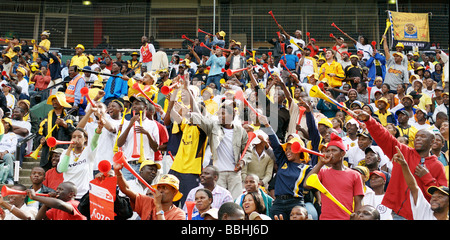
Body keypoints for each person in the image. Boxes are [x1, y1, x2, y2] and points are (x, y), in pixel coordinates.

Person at [353, 109, 448, 220]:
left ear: (432, 141)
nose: (418, 139)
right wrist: (369, 120)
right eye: (416, 137)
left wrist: (426, 177)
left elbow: (442, 195)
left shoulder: (437, 165)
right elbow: (384, 137)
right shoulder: (402, 152)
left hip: (424, 214)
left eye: (422, 137)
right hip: (399, 213)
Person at [189, 100, 251, 199]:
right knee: (219, 201)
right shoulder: (213, 126)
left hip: (234, 173)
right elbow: (200, 119)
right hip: (218, 173)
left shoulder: (241, 131)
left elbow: (248, 150)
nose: (219, 116)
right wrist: (188, 114)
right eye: (218, 114)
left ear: (232, 115)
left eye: (223, 113)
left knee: (236, 201)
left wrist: (243, 162)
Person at [258, 113, 312, 220]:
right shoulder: (283, 161)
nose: (287, 152)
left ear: (299, 150)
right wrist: (267, 125)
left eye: (290, 148)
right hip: (278, 204)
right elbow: (275, 143)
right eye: (286, 149)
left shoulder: (306, 168)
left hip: (295, 204)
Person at [304, 133, 365, 220]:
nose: (330, 154)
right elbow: (306, 185)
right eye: (328, 151)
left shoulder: (355, 175)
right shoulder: (322, 172)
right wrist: (320, 163)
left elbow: (358, 202)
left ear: (343, 153)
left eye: (334, 150)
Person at [115, 159, 186, 220]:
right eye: (159, 187)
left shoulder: (179, 214)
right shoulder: (148, 202)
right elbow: (126, 189)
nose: (160, 190)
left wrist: (158, 206)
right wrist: (118, 172)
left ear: (174, 192)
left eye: (164, 188)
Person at [392, 146, 449, 220]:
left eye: (440, 197)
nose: (434, 199)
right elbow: (413, 186)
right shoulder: (424, 210)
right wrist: (404, 165)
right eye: (433, 196)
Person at [116, 96, 160, 180]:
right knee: (126, 191)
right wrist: (130, 125)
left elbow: (155, 148)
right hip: (128, 165)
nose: (134, 106)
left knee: (143, 191)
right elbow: (119, 143)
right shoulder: (126, 123)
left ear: (145, 107)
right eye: (133, 104)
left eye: (137, 104)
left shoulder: (152, 124)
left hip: (145, 164)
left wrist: (147, 133)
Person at [57, 126, 101, 200]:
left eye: (80, 137)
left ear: (85, 139)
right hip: (68, 195)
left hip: (85, 195)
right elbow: (62, 169)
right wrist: (69, 149)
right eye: (74, 137)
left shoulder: (88, 151)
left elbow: (94, 141)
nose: (76, 139)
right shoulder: (65, 152)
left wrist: (99, 130)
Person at [37, 92, 77, 171]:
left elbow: (76, 133)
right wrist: (41, 138)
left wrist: (65, 125)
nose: (54, 102)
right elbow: (38, 134)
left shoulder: (70, 118)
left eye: (57, 100)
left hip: (64, 151)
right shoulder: (45, 119)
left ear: (62, 103)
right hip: (48, 154)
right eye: (53, 100)